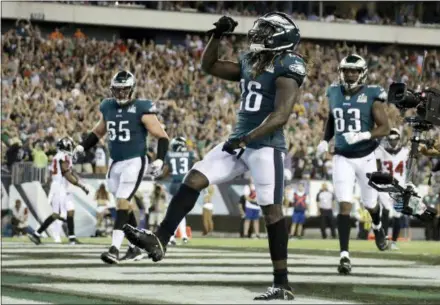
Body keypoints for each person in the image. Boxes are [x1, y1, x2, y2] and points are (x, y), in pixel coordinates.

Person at [124, 12, 306, 300]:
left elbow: (281, 115)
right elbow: (208, 65)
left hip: (266, 145)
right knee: (195, 177)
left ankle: (282, 282)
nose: (258, 36)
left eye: (266, 31)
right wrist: (217, 36)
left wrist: (247, 138)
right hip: (238, 142)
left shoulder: (289, 64)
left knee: (272, 211)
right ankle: (161, 237)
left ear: (281, 36)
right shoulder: (251, 61)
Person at [72, 70, 170, 264]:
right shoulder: (107, 106)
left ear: (132, 90)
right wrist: (83, 146)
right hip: (115, 163)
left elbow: (162, 136)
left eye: (125, 90)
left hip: (135, 161)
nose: (121, 94)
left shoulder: (142, 108)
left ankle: (114, 249)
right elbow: (98, 131)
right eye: (118, 90)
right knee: (122, 205)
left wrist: (159, 159)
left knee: (123, 201)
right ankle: (138, 246)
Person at [316, 54, 390, 275]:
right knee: (344, 203)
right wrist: (323, 139)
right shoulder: (333, 91)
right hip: (342, 157)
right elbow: (332, 118)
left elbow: (385, 128)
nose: (350, 74)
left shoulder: (372, 94)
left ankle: (377, 227)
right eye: (347, 70)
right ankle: (344, 256)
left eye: (354, 71)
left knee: (371, 204)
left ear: (362, 73)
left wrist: (363, 135)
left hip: (366, 156)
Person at [28, 137, 88, 245]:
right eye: (70, 146)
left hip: (60, 186)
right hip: (59, 187)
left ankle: (72, 238)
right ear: (65, 147)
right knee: (56, 214)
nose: (71, 147)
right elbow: (67, 174)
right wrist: (81, 186)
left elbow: (56, 174)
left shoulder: (59, 156)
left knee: (70, 211)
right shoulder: (63, 156)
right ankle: (36, 234)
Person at [375, 128, 409, 250]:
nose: (393, 141)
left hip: (399, 188)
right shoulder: (381, 150)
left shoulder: (405, 152)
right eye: (391, 138)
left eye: (395, 138)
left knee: (397, 215)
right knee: (386, 211)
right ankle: (384, 240)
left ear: (399, 139)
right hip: (385, 187)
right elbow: (377, 166)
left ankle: (394, 242)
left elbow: (411, 167)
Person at [162, 137, 196, 245]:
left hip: (174, 184)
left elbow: (166, 171)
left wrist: (158, 177)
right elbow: (195, 166)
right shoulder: (190, 154)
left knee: (171, 212)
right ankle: (184, 236)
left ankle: (171, 236)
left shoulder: (169, 155)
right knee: (181, 212)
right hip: (186, 184)